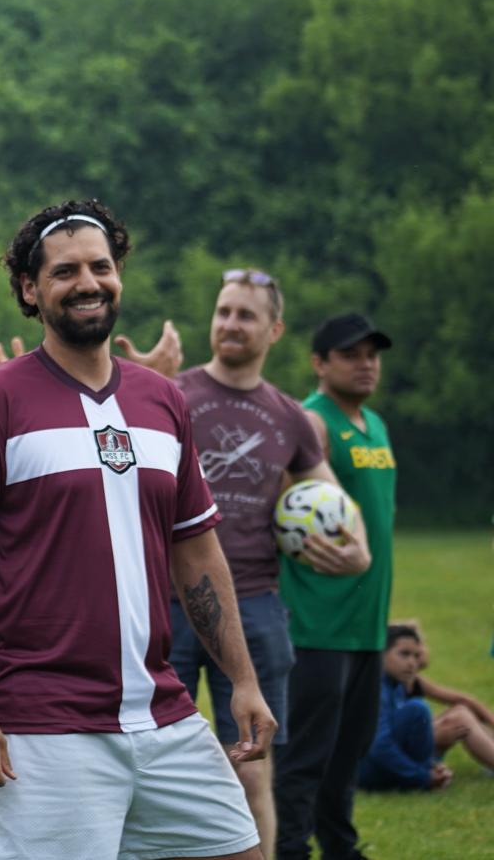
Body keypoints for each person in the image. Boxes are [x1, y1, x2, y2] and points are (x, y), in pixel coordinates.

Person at [0, 198, 269, 860]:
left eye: (101, 267)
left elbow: (197, 554)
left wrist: (243, 679)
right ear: (30, 289)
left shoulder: (164, 401)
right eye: (65, 271)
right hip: (42, 725)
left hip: (162, 715)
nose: (88, 283)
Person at [168, 268, 369, 853]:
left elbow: (333, 498)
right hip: (164, 600)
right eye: (224, 311)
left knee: (252, 770)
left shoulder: (288, 415)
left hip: (253, 606)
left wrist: (358, 550)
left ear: (275, 329)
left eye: (246, 315)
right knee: (154, 765)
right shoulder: (170, 395)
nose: (230, 324)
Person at [274, 312, 397, 860]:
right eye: (350, 355)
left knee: (350, 750)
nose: (366, 364)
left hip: (366, 621)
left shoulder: (375, 425)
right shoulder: (312, 422)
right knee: (306, 754)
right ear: (319, 364)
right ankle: (291, 849)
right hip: (316, 621)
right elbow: (276, 511)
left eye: (372, 354)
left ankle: (341, 848)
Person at [357, 623, 494, 790]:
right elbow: (379, 744)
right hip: (367, 767)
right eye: (404, 654)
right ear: (382, 653)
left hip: (382, 758)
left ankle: (430, 768)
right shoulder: (376, 686)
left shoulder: (400, 681)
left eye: (416, 656)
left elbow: (462, 699)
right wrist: (423, 777)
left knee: (458, 712)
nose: (412, 662)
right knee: (428, 712)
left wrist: (427, 769)